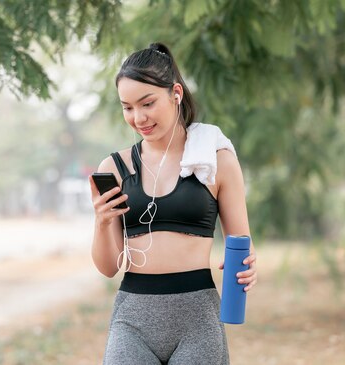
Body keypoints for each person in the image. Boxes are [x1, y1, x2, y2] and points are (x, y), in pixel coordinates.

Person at [88, 42, 258, 365]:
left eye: (147, 103)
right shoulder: (113, 169)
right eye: (127, 107)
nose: (138, 117)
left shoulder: (216, 161)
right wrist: (101, 222)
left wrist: (248, 267)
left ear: (175, 93)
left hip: (198, 318)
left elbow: (242, 244)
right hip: (133, 319)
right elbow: (108, 266)